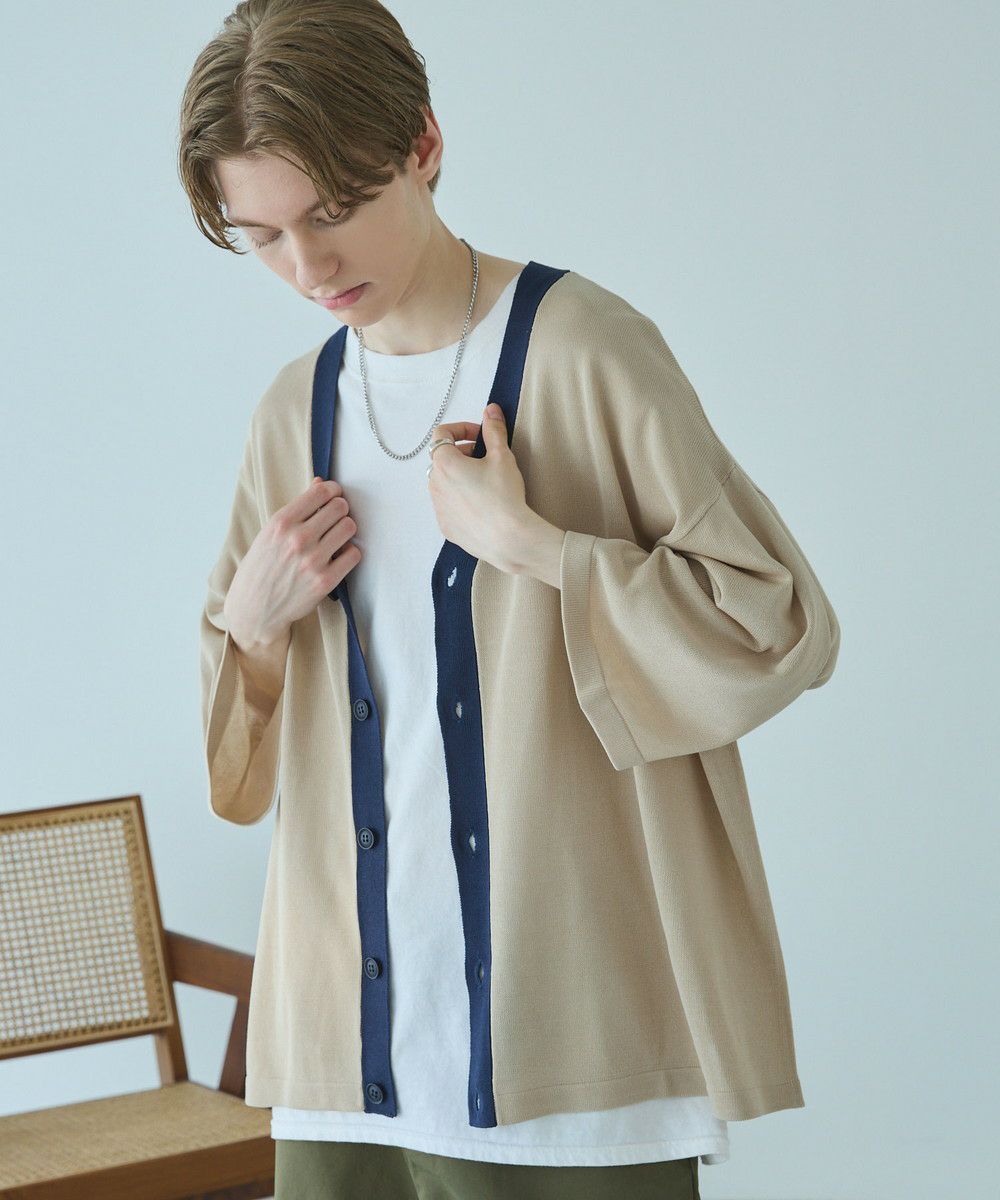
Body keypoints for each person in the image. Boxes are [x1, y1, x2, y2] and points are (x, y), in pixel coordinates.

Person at [181, 2, 841, 1198]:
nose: (308, 269)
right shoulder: (295, 408)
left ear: (423, 144)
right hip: (347, 1046)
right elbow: (238, 767)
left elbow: (774, 624)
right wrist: (254, 625)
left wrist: (541, 550)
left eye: (332, 212)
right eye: (262, 234)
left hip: (568, 1040)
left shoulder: (584, 350)